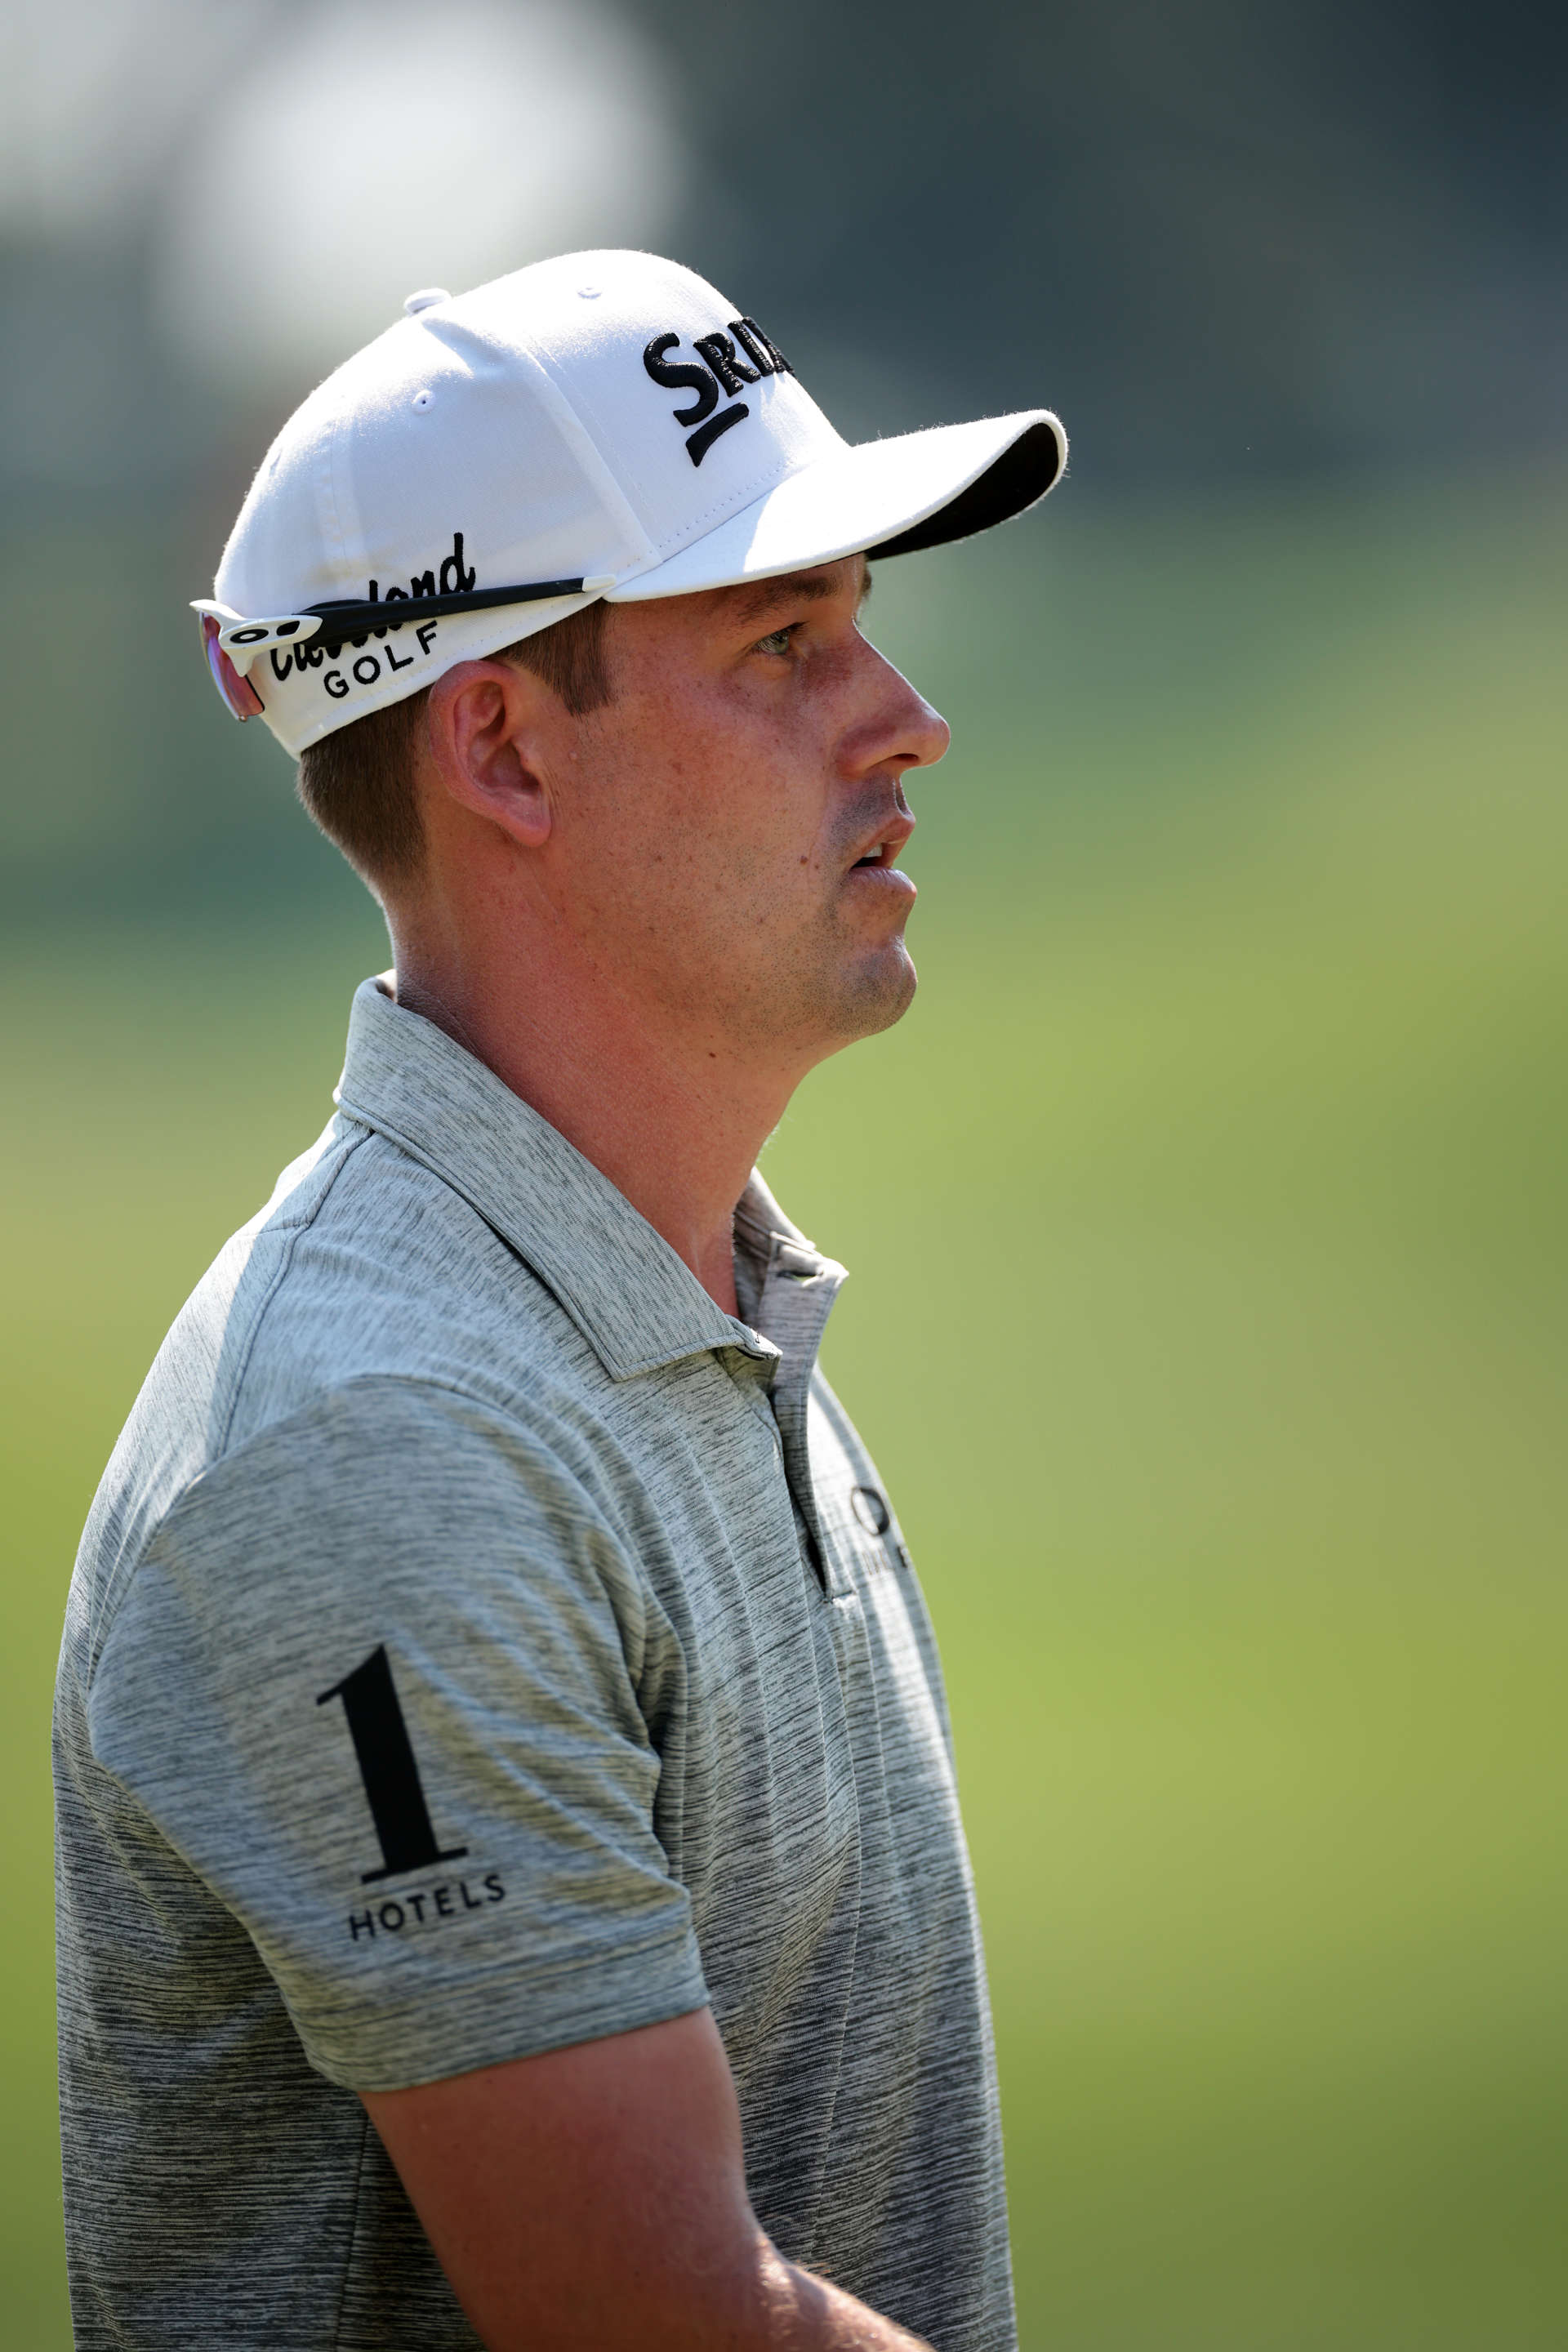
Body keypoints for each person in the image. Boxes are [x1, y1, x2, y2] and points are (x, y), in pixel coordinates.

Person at [53, 250, 1066, 2352]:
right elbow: (661, 2325)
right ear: (503, 749)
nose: (908, 719)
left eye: (860, 628)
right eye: (786, 643)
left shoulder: (675, 1298)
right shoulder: (383, 1435)